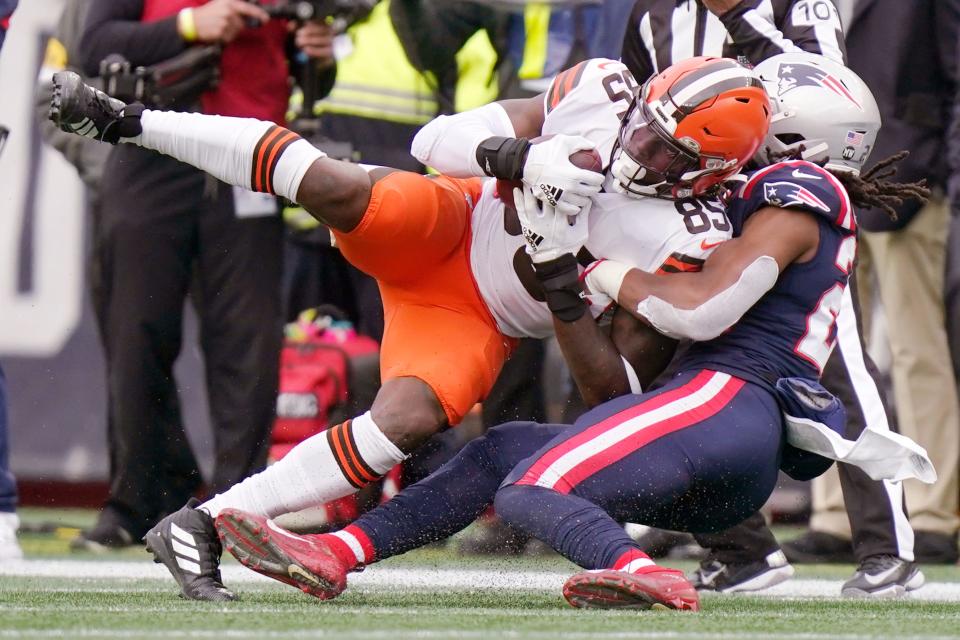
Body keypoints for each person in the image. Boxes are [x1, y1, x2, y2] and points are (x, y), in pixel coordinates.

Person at [210, 52, 932, 610]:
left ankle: (642, 574)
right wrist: (564, 267)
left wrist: (601, 271)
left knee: (533, 491)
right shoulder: (744, 203)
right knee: (501, 452)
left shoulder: (798, 193)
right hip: (709, 434)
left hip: (725, 402)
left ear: (796, 138)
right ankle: (337, 551)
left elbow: (700, 311)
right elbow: (616, 385)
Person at [50, 54, 769, 599]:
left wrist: (558, 275)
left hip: (477, 315)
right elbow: (433, 141)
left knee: (407, 418)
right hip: (451, 223)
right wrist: (519, 156)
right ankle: (122, 121)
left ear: (709, 176)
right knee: (338, 187)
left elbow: (613, 391)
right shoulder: (601, 93)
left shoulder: (688, 239)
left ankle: (201, 524)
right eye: (642, 128)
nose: (634, 151)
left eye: (662, 154)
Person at [621, 0, 917, 597]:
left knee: (838, 365)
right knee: (676, 369)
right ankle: (743, 550)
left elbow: (831, 90)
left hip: (785, 198)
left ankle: (889, 551)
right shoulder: (653, 14)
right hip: (694, 204)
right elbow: (631, 104)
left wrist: (741, 17)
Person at [67, 0, 337, 551]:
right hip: (148, 143)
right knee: (135, 329)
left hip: (248, 152)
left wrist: (316, 53)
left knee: (248, 339)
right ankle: (138, 498)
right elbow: (94, 47)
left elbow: (303, 67)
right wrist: (189, 25)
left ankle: (239, 503)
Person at [787, 0, 960, 567]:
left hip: (911, 180)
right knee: (825, 349)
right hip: (819, 183)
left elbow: (952, 72)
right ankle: (835, 513)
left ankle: (935, 513)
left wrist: (943, 174)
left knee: (918, 352)